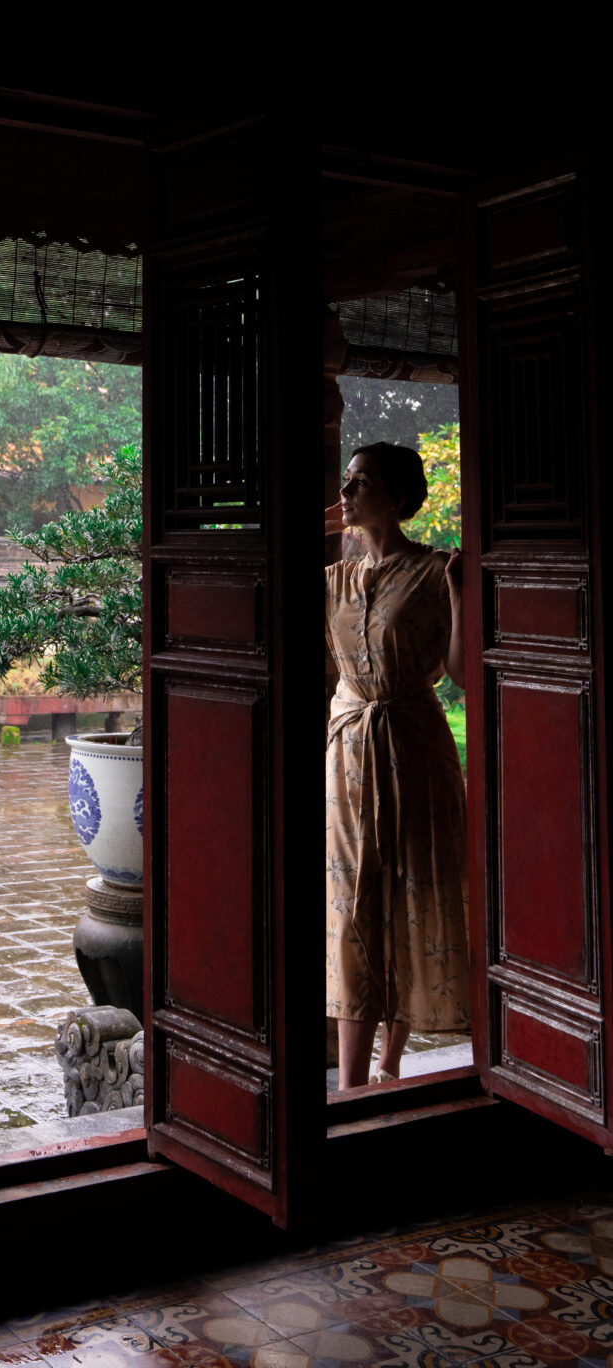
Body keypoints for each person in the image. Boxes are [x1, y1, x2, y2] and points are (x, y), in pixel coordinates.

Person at [324, 443, 469, 1089]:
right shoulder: (335, 577)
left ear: (398, 498)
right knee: (353, 905)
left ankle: (390, 1060)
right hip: (349, 748)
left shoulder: (438, 570)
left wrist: (464, 597)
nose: (348, 492)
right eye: (346, 481)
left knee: (413, 891)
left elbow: (464, 675)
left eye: (362, 483)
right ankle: (355, 1081)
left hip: (412, 744)